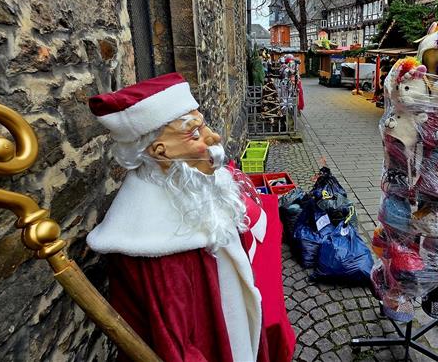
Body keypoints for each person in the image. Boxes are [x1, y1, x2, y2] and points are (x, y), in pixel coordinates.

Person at [86, 73, 287, 362]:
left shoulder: (192, 189)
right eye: (194, 133)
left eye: (203, 125)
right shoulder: (153, 241)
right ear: (160, 152)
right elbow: (175, 345)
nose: (213, 138)